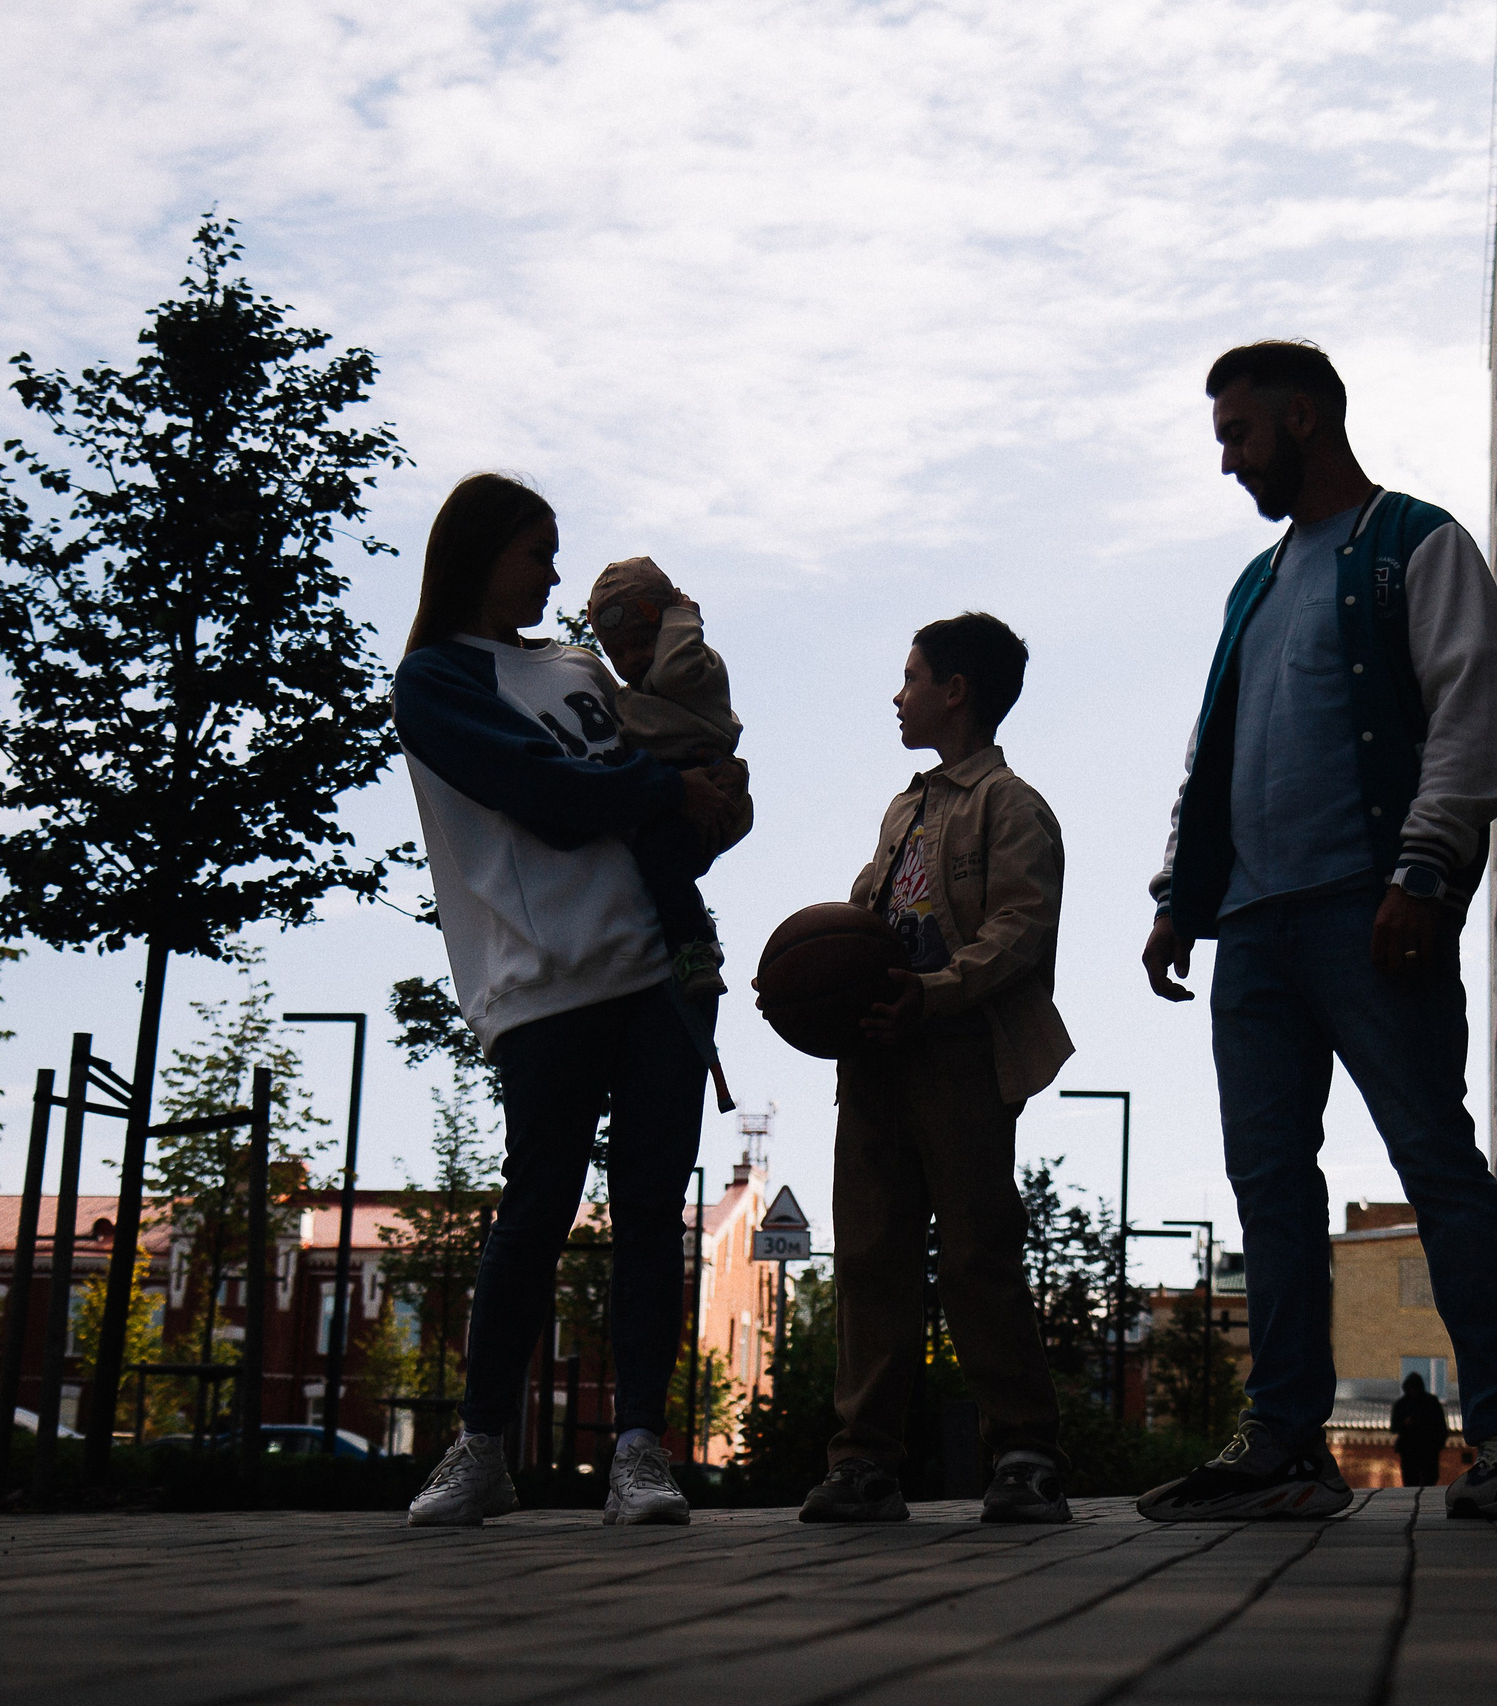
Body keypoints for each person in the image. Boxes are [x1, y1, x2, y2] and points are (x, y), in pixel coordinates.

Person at [1134, 342, 1497, 1523]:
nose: (1226, 461)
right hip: (1255, 929)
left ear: (1305, 417)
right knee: (1269, 1185)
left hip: (1370, 910)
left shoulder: (1416, 544)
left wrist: (1422, 874)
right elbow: (1213, 751)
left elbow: (1472, 720)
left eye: (1237, 435)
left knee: (1434, 1160)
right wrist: (1182, 893)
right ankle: (1286, 1441)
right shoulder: (1253, 585)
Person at [391, 472, 741, 1528]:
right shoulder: (435, 678)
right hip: (540, 981)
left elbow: (663, 797)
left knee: (647, 1211)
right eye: (538, 549)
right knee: (534, 1209)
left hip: (658, 966)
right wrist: (665, 789)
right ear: (480, 550)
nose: (555, 573)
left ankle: (640, 1448)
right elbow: (545, 796)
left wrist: (709, 804)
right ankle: (483, 1442)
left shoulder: (581, 665)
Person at [797, 613, 1074, 1525]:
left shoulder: (1011, 805)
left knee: (976, 1254)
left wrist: (936, 990)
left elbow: (1019, 934)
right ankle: (866, 1463)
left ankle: (1024, 1451)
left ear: (955, 691)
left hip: (958, 1054)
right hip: (879, 1053)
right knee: (871, 1259)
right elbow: (862, 919)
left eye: (911, 676)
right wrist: (806, 985)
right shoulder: (903, 810)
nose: (897, 693)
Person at [587, 554, 753, 1004]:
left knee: (661, 860)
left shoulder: (694, 672)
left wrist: (682, 617)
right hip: (670, 788)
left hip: (700, 780)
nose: (630, 660)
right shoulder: (634, 695)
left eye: (643, 642)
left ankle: (694, 946)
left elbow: (675, 666)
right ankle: (679, 934)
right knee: (653, 865)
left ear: (667, 631)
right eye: (616, 652)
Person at [1390, 1371, 1450, 1488]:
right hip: (1409, 1450)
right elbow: (1394, 1427)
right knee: (1410, 1482)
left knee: (1429, 1481)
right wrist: (1405, 1423)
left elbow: (1440, 1426)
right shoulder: (1401, 1405)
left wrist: (1438, 1443)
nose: (1413, 1391)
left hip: (1428, 1449)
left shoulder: (1431, 1403)